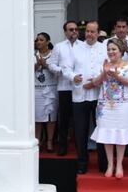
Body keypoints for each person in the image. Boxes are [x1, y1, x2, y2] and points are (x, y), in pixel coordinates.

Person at [90, 39, 128, 178]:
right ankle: (109, 164)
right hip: (105, 106)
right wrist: (104, 73)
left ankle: (119, 164)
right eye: (109, 49)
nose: (111, 52)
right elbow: (95, 82)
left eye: (114, 49)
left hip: (123, 106)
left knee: (121, 135)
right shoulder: (104, 65)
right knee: (106, 134)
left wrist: (117, 76)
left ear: (121, 51)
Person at [63, 21, 108, 174]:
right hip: (79, 95)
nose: (89, 34)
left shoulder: (104, 49)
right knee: (80, 131)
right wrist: (73, 76)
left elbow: (108, 69)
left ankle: (103, 162)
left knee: (101, 129)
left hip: (99, 96)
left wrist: (97, 81)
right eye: (87, 31)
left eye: (93, 32)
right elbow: (66, 68)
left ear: (98, 33)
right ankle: (82, 163)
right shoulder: (76, 48)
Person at [48, 21, 81, 156]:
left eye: (76, 29)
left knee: (79, 119)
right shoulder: (59, 47)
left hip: (80, 88)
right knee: (64, 119)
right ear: (65, 32)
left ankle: (80, 147)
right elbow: (51, 65)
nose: (74, 31)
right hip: (64, 87)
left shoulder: (83, 46)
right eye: (71, 29)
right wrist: (62, 71)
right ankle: (62, 146)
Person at [34, 33, 59, 152]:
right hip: (37, 89)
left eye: (41, 40)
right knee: (37, 117)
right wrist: (38, 64)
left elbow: (58, 71)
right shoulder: (32, 54)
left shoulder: (54, 54)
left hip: (51, 89)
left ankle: (49, 141)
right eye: (37, 40)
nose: (38, 42)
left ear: (48, 42)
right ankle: (37, 141)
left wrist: (46, 65)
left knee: (51, 117)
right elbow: (26, 71)